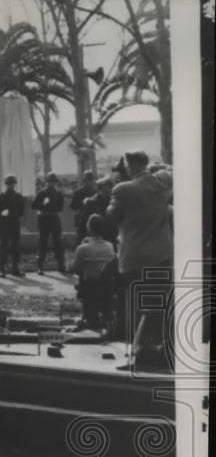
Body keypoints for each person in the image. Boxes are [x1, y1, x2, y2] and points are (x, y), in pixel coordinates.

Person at [106, 150, 173, 363]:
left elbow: (111, 216)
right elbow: (169, 170)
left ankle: (140, 349)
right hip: (161, 254)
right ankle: (160, 345)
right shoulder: (163, 183)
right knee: (158, 302)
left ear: (130, 166)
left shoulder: (123, 189)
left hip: (134, 256)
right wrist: (156, 169)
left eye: (125, 165)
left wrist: (115, 184)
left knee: (136, 303)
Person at [67, 214, 117, 331]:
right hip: (106, 286)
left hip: (89, 286)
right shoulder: (109, 246)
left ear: (89, 228)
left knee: (92, 318)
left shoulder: (83, 248)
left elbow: (72, 269)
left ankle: (91, 321)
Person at [0, 175, 26, 277]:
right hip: (4, 224)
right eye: (9, 183)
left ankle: (15, 268)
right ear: (6, 184)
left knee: (15, 246)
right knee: (4, 246)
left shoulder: (18, 197)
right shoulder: (0, 196)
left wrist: (13, 215)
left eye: (12, 183)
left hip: (14, 223)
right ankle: (2, 269)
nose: (11, 185)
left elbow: (21, 211)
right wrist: (2, 213)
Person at [33, 172, 65, 274]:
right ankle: (40, 266)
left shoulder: (59, 194)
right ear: (47, 182)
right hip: (44, 218)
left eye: (54, 181)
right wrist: (43, 204)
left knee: (58, 242)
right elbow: (33, 205)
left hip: (54, 218)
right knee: (42, 242)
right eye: (50, 181)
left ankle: (61, 265)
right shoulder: (42, 193)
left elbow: (60, 208)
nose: (52, 183)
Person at [70, 169, 98, 239]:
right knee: (81, 239)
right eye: (88, 180)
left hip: (93, 220)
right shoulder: (78, 192)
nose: (90, 182)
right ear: (85, 181)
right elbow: (73, 206)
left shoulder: (96, 192)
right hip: (82, 220)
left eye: (91, 180)